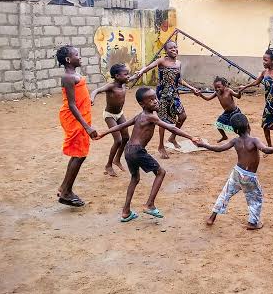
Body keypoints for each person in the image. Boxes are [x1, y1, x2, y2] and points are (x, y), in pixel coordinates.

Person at [95, 87, 200, 222]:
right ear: (142, 104)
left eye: (155, 98)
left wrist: (103, 133)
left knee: (135, 178)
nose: (156, 101)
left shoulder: (139, 115)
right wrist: (191, 137)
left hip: (128, 150)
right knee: (160, 172)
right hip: (138, 151)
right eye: (151, 100)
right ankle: (149, 204)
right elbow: (172, 127)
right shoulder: (151, 117)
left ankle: (126, 212)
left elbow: (121, 126)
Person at [195, 113, 273, 230]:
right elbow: (266, 150)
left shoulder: (235, 141)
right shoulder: (254, 140)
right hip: (249, 177)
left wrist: (204, 145)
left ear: (234, 130)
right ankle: (253, 223)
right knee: (255, 198)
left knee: (225, 194)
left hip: (237, 172)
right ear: (248, 125)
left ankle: (212, 217)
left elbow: (219, 149)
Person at [134, 41, 200, 159]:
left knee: (182, 116)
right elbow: (149, 67)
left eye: (175, 47)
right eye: (171, 48)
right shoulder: (162, 61)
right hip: (162, 95)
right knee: (163, 122)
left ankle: (172, 137)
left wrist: (192, 88)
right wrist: (141, 71)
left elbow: (179, 80)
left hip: (174, 94)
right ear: (166, 51)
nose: (174, 49)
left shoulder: (178, 63)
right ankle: (161, 146)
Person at [56, 45, 98, 207]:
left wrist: (89, 100)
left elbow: (79, 97)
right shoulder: (67, 77)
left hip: (80, 116)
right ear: (68, 60)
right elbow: (72, 105)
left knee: (79, 153)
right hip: (74, 118)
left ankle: (65, 188)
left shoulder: (74, 74)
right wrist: (87, 127)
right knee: (79, 154)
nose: (79, 57)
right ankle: (66, 191)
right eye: (76, 55)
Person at [90, 63, 142, 177]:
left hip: (119, 114)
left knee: (126, 138)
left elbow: (133, 77)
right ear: (117, 76)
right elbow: (97, 90)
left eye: (128, 74)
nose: (128, 76)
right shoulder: (111, 86)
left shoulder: (124, 83)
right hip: (110, 115)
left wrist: (138, 74)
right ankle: (108, 165)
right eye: (126, 74)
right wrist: (92, 97)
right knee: (118, 140)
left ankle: (117, 159)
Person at [238, 49, 273, 161]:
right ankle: (269, 147)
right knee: (265, 125)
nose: (264, 62)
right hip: (269, 103)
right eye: (263, 60)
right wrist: (244, 87)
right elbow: (256, 82)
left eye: (266, 60)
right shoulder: (264, 72)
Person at [196, 76, 243, 142]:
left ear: (224, 86)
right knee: (218, 124)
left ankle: (243, 138)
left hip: (235, 112)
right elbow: (207, 99)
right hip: (226, 113)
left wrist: (240, 92)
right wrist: (200, 95)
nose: (217, 89)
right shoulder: (217, 93)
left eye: (219, 87)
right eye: (215, 88)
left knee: (237, 127)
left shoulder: (229, 91)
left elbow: (238, 96)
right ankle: (224, 136)